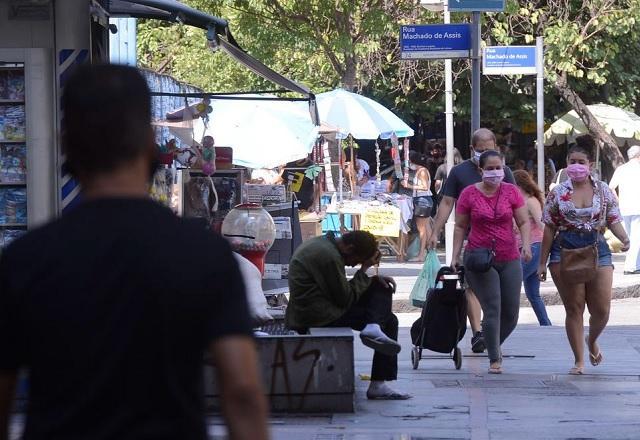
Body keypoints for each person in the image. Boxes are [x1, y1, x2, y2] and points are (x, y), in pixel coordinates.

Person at [0, 65, 268, 440]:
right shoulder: (204, 255)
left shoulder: (24, 260)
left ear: (66, 143)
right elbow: (242, 392)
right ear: (149, 144)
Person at [285, 230, 410, 400]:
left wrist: (369, 279)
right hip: (316, 314)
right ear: (349, 248)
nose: (352, 266)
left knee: (381, 288)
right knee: (388, 320)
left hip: (323, 305)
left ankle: (373, 327)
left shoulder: (325, 245)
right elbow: (345, 298)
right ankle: (377, 380)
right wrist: (365, 270)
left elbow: (343, 293)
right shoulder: (329, 256)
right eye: (356, 261)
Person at [539, 143, 630, 375]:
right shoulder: (558, 192)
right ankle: (579, 360)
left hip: (597, 248)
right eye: (572, 162)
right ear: (567, 165)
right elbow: (549, 228)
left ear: (590, 165)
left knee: (601, 309)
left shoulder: (603, 190)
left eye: (581, 162)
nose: (576, 166)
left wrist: (624, 238)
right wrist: (542, 262)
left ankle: (592, 340)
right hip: (564, 249)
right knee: (574, 307)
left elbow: (613, 218)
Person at [428, 128, 517, 353]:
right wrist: (435, 231)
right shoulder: (459, 172)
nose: (486, 153)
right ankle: (478, 331)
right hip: (473, 241)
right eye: (481, 150)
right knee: (472, 287)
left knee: (500, 303)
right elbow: (447, 203)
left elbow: (516, 203)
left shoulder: (504, 171)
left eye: (489, 149)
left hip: (503, 245)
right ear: (472, 150)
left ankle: (490, 336)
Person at [451, 151, 532, 374]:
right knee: (493, 307)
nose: (495, 172)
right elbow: (459, 227)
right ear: (480, 170)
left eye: (499, 168)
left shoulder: (511, 191)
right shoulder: (469, 194)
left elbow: (524, 221)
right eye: (490, 168)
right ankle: (494, 359)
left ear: (504, 168)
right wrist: (455, 256)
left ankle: (489, 343)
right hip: (479, 257)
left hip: (509, 256)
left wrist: (525, 245)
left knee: (511, 314)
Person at [513, 170, 552, 326]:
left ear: (519, 184)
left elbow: (542, 223)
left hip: (534, 247)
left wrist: (552, 242)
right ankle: (546, 324)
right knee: (532, 293)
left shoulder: (530, 201)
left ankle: (505, 321)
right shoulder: (517, 201)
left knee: (512, 283)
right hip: (524, 247)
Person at [608, 145, 640, 275]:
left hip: (625, 207)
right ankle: (630, 266)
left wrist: (618, 201)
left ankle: (636, 264)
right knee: (636, 237)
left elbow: (611, 187)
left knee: (631, 237)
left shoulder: (621, 169)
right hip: (638, 207)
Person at [402, 151, 433, 261]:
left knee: (422, 229)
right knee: (427, 228)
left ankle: (421, 255)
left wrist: (409, 186)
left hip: (422, 200)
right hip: (422, 200)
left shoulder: (422, 171)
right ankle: (430, 252)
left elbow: (425, 187)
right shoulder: (420, 171)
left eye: (409, 162)